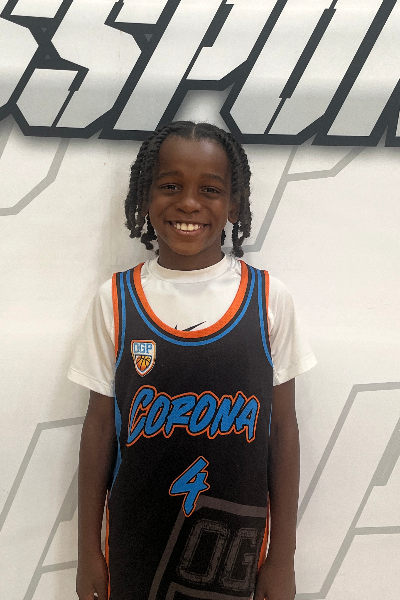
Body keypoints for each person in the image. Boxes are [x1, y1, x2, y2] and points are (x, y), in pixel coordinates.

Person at [68, 121, 316, 600]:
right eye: (169, 186)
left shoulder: (268, 298)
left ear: (234, 205)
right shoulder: (116, 299)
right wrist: (87, 552)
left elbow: (283, 430)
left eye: (210, 189)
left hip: (233, 545)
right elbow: (98, 429)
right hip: (136, 542)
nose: (188, 203)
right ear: (145, 197)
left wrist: (282, 556)